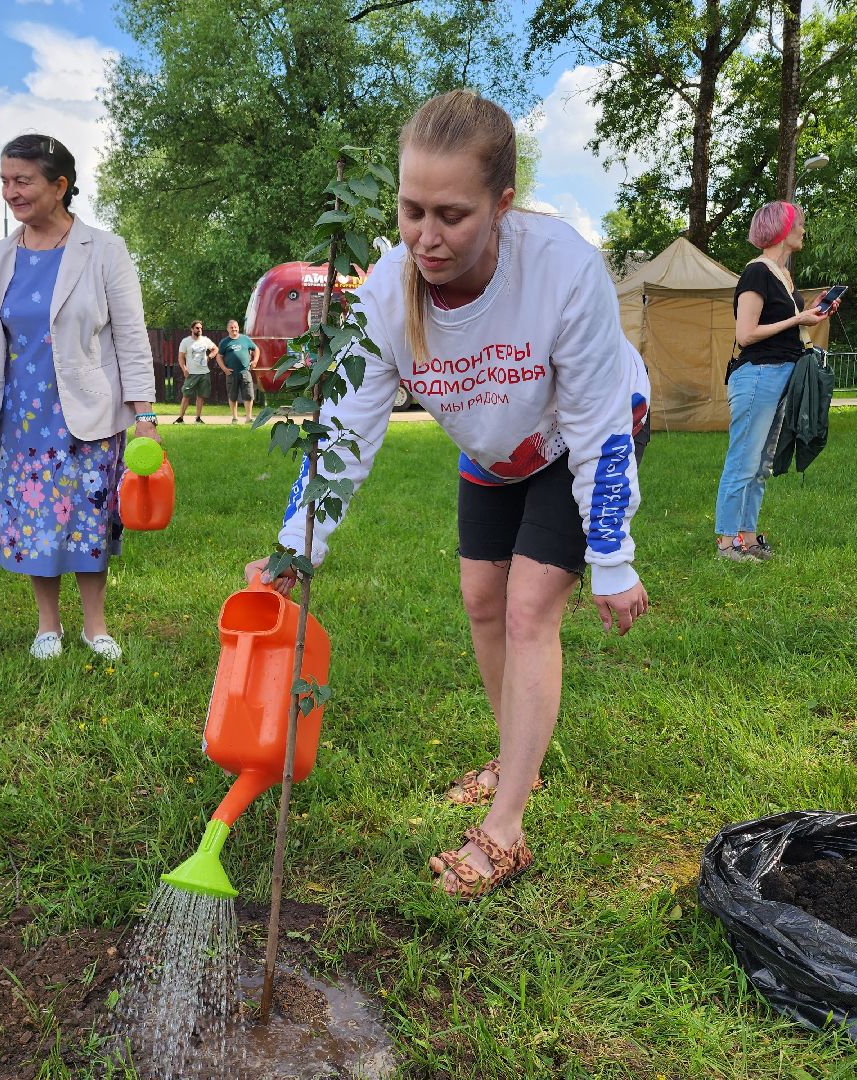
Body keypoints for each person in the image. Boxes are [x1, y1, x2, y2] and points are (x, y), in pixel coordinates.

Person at [244, 89, 650, 899]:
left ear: (502, 204)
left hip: (579, 439)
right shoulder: (387, 295)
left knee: (533, 606)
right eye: (411, 210)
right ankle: (516, 761)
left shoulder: (563, 268)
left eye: (453, 215)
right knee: (481, 598)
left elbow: (600, 420)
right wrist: (299, 545)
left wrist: (610, 554)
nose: (427, 237)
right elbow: (348, 429)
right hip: (494, 453)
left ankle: (505, 831)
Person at [0, 134, 158, 661]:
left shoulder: (105, 250)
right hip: (21, 414)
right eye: (3, 181)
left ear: (59, 186)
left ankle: (94, 626)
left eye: (22, 181)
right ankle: (47, 627)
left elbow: (132, 336)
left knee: (87, 518)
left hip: (87, 410)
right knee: (34, 520)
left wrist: (145, 416)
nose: (10, 192)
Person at [713, 201, 838, 562]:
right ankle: (726, 542)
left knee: (762, 462)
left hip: (779, 374)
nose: (803, 228)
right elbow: (747, 333)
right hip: (758, 376)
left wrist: (808, 313)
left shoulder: (782, 276)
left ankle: (748, 538)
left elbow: (786, 323)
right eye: (799, 223)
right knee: (744, 459)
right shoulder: (757, 272)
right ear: (782, 228)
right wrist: (798, 319)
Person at [217, 319, 260, 423]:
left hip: (245, 372)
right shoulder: (224, 342)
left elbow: (256, 349)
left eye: (235, 327)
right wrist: (224, 369)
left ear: (238, 328)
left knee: (249, 395)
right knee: (233, 396)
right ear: (228, 329)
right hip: (231, 373)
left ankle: (248, 418)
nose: (234, 329)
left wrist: (254, 361)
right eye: (231, 327)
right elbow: (219, 357)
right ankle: (235, 418)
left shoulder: (245, 339)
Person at [173, 320, 216, 423]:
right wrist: (184, 369)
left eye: (201, 328)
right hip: (191, 373)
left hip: (204, 373)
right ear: (192, 329)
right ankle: (180, 418)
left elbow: (215, 349)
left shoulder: (205, 340)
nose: (199, 330)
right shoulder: (186, 341)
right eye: (197, 328)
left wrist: (209, 357)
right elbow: (181, 357)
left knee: (201, 396)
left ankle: (198, 418)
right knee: (186, 395)